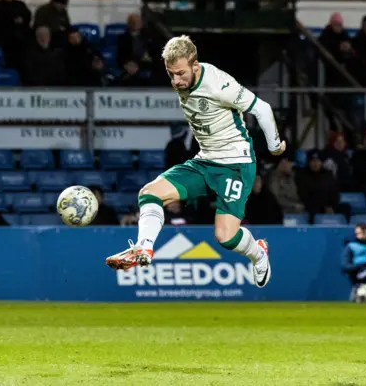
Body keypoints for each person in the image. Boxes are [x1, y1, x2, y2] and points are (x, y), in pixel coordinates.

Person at [105, 35, 284, 288]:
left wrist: (275, 146)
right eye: (171, 74)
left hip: (235, 163)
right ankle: (144, 249)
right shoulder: (183, 79)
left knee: (225, 236)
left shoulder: (218, 84)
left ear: (195, 66)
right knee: (149, 193)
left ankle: (258, 253)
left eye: (180, 73)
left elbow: (262, 108)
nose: (176, 81)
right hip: (205, 160)